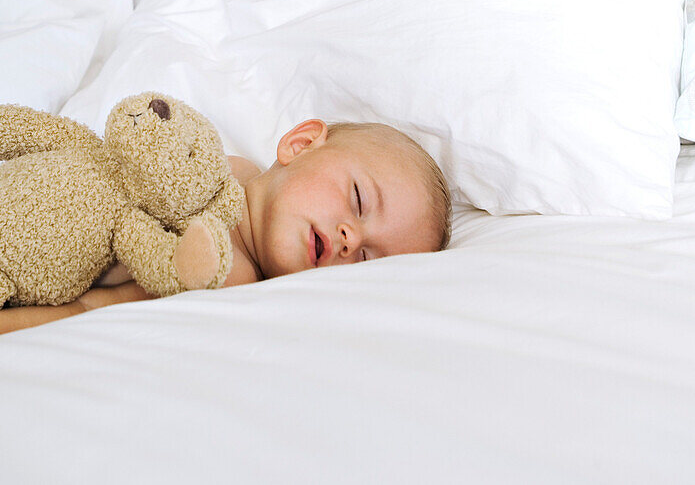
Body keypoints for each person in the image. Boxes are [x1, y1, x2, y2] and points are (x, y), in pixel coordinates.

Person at [0, 118, 452, 335]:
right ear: (301, 143)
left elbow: (93, 309)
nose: (351, 241)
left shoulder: (223, 275)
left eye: (370, 262)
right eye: (357, 199)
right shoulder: (224, 165)